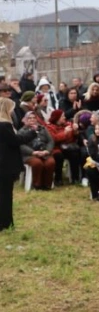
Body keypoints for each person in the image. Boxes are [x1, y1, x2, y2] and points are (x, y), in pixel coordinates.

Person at [0, 98, 29, 231]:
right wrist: (32, 133)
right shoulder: (4, 125)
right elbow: (15, 141)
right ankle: (5, 222)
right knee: (5, 195)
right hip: (5, 164)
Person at [17, 112, 55, 190]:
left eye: (34, 118)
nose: (32, 120)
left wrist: (47, 151)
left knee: (50, 163)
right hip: (29, 154)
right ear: (25, 120)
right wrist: (33, 152)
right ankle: (37, 185)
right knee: (37, 163)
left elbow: (50, 141)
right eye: (29, 118)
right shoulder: (21, 131)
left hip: (44, 152)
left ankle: (47, 185)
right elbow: (21, 145)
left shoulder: (43, 128)